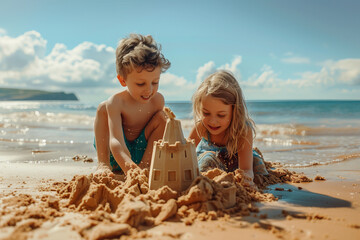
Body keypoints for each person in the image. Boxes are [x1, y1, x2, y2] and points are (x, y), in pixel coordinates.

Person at [94, 34, 171, 176]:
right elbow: (116, 141)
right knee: (103, 107)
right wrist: (128, 166)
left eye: (155, 82)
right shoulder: (117, 102)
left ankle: (144, 168)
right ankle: (102, 164)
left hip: (142, 153)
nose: (149, 90)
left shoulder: (157, 101)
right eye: (140, 84)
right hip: (115, 152)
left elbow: (158, 136)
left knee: (163, 117)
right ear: (123, 80)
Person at [189, 70, 268, 184]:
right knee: (207, 159)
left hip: (236, 162)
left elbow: (246, 169)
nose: (212, 121)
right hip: (211, 161)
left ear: (234, 111)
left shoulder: (242, 130)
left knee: (256, 163)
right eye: (206, 113)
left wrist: (245, 181)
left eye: (221, 115)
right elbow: (184, 154)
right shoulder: (201, 127)